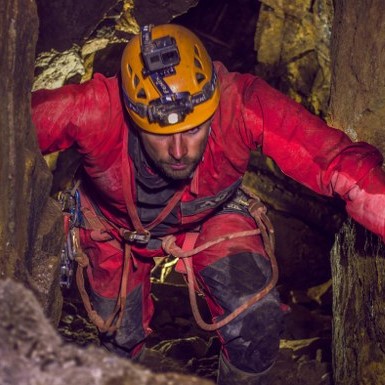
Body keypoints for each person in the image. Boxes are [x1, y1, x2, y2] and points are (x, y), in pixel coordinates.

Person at [32, 23, 385, 385]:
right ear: (135, 118)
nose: (179, 151)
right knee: (117, 335)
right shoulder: (97, 110)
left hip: (211, 216)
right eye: (162, 134)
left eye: (194, 129)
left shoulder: (240, 104)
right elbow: (16, 124)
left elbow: (333, 160)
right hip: (115, 229)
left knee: (256, 319)